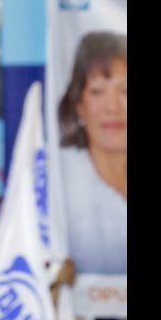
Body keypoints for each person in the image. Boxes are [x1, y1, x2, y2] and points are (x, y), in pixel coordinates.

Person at [58, 32, 127, 276]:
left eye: (125, 92)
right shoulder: (58, 175)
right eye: (98, 91)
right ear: (79, 104)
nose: (113, 107)